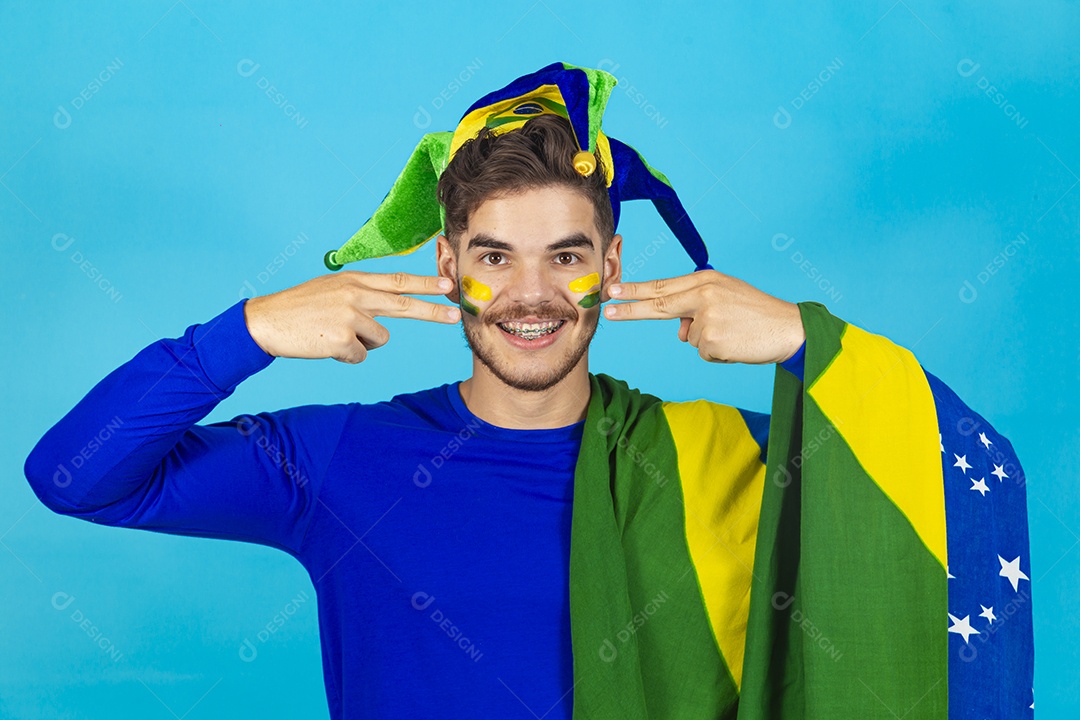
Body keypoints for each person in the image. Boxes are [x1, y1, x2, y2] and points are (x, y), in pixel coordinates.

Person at [25, 94, 1034, 718]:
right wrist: (241, 334)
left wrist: (814, 348)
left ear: (612, 266)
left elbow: (947, 498)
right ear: (449, 264)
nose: (532, 295)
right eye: (496, 257)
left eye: (566, 256)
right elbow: (74, 478)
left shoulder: (727, 453)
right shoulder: (339, 460)